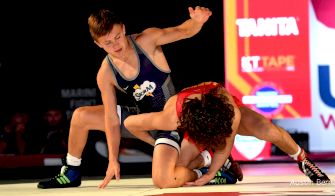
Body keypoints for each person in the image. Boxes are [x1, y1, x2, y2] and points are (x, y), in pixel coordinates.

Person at [37, 6, 216, 189]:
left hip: (171, 123)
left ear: (123, 29)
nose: (116, 45)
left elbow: (183, 30)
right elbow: (111, 119)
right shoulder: (106, 73)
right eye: (108, 43)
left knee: (164, 180)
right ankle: (72, 171)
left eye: (117, 37)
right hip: (143, 121)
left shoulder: (146, 41)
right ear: (98, 44)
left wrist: (197, 21)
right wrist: (113, 160)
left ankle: (208, 166)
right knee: (80, 116)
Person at [124, 81, 331, 188]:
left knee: (269, 131)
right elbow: (130, 123)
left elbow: (226, 145)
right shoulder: (171, 117)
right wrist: (152, 141)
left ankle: (303, 160)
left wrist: (210, 175)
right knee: (175, 173)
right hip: (193, 124)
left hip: (219, 115)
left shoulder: (231, 114)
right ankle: (210, 160)